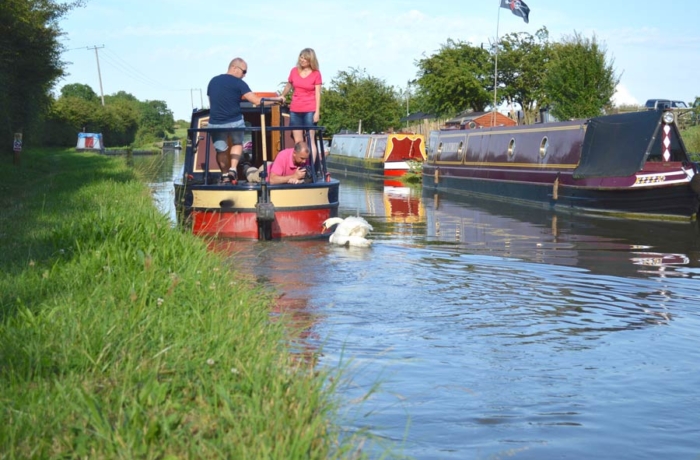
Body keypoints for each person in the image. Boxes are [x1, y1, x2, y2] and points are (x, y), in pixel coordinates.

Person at [207, 57, 284, 184]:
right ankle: (233, 169)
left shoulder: (213, 81)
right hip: (234, 121)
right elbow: (257, 101)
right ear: (234, 68)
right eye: (244, 72)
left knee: (221, 150)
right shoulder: (238, 83)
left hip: (215, 123)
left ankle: (225, 175)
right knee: (237, 143)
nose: (244, 75)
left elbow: (212, 104)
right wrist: (278, 99)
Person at [280, 48, 322, 164]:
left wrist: (317, 112)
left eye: (305, 58)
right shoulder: (294, 71)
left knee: (310, 140)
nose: (302, 60)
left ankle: (311, 169)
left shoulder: (316, 74)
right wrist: (282, 95)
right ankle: (299, 166)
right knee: (298, 142)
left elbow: (318, 93)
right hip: (295, 109)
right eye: (301, 57)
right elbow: (289, 85)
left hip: (310, 109)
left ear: (311, 60)